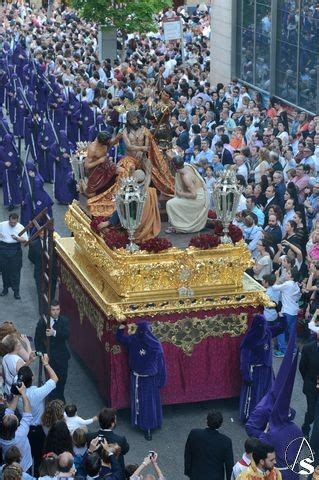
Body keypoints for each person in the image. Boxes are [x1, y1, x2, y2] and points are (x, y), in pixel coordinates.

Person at [116, 321, 166, 441]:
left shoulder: (134, 340)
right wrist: (161, 380)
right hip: (146, 379)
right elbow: (161, 365)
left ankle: (146, 426)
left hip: (145, 379)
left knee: (144, 403)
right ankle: (147, 426)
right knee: (148, 403)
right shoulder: (156, 345)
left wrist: (120, 328)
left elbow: (121, 338)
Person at [239, 314, 285, 423]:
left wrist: (282, 318)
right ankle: (251, 417)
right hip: (255, 372)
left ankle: (267, 415)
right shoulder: (249, 339)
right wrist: (246, 375)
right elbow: (244, 359)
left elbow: (280, 328)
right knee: (254, 396)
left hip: (267, 370)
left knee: (269, 393)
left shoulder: (268, 332)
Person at [17, 354, 58, 476]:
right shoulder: (36, 393)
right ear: (33, 378)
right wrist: (46, 363)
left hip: (24, 429)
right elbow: (55, 379)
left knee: (26, 458)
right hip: (37, 431)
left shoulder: (16, 390)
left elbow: (18, 375)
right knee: (39, 458)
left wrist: (28, 362)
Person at [34, 300, 70, 401]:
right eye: (53, 310)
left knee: (62, 379)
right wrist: (41, 354)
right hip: (49, 358)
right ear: (49, 310)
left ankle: (60, 397)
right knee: (51, 381)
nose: (55, 312)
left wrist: (54, 333)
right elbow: (37, 340)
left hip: (62, 357)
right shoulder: (43, 322)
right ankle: (53, 400)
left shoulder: (64, 321)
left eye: (57, 309)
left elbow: (66, 335)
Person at [184, 410, 234, 480]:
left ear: (206, 421)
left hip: (196, 476)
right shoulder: (226, 441)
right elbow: (229, 465)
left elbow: (188, 453)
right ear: (221, 424)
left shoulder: (194, 434)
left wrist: (188, 471)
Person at [166, 155, 209, 233]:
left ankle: (179, 227)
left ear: (175, 167)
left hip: (198, 199)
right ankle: (179, 224)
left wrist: (181, 194)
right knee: (175, 200)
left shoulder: (186, 177)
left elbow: (194, 195)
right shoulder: (187, 166)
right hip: (198, 193)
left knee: (170, 204)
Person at [87, 407, 129, 478]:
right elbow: (125, 450)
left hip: (96, 473)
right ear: (112, 424)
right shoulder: (120, 440)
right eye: (115, 419)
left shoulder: (89, 437)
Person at [0, 383, 33, 472]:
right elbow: (28, 414)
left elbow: (9, 411)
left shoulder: (2, 437)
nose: (10, 414)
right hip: (25, 467)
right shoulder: (21, 434)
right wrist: (23, 394)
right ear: (16, 427)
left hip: (8, 467)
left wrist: (17, 395)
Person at [28, 230, 58, 314]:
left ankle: (51, 310)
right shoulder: (33, 244)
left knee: (52, 292)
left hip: (52, 272)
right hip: (40, 272)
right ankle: (42, 312)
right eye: (41, 233)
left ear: (48, 233)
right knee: (41, 292)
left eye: (44, 233)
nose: (43, 235)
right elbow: (31, 257)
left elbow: (56, 256)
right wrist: (41, 265)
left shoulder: (54, 242)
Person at [85, 132, 121, 199]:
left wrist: (117, 137)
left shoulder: (105, 141)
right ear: (101, 143)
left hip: (106, 164)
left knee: (121, 171)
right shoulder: (92, 149)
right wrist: (99, 161)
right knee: (90, 194)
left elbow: (112, 142)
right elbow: (87, 165)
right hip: (96, 170)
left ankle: (114, 192)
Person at [0, 213, 28, 299]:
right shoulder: (2, 225)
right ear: (9, 220)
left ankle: (16, 291)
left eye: (14, 223)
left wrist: (17, 238)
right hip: (3, 248)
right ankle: (5, 289)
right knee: (4, 270)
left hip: (15, 249)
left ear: (17, 221)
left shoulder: (20, 227)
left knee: (16, 271)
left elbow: (25, 240)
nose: (12, 224)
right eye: (11, 222)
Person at [299, 319, 319, 438]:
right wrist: (309, 380)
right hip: (311, 385)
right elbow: (302, 368)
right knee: (311, 412)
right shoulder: (308, 348)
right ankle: (305, 428)